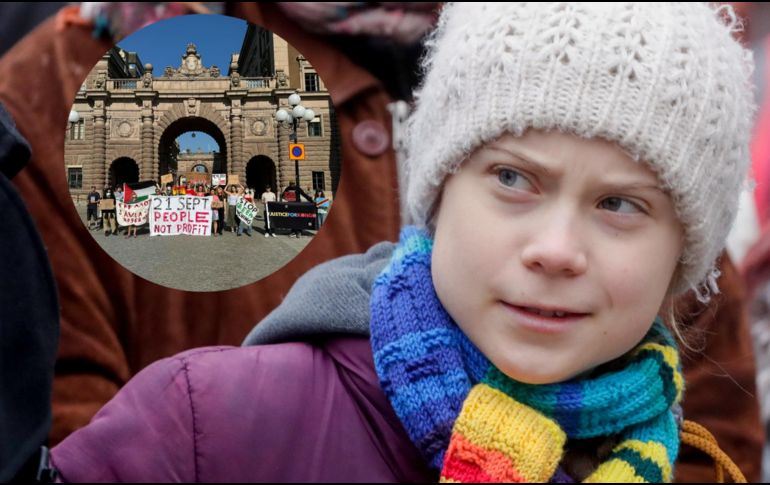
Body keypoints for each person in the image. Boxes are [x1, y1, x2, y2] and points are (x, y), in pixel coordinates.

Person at [48, 3, 756, 482]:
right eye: (512, 177)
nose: (557, 248)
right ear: (441, 189)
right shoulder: (208, 416)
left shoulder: (644, 65)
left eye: (617, 204)